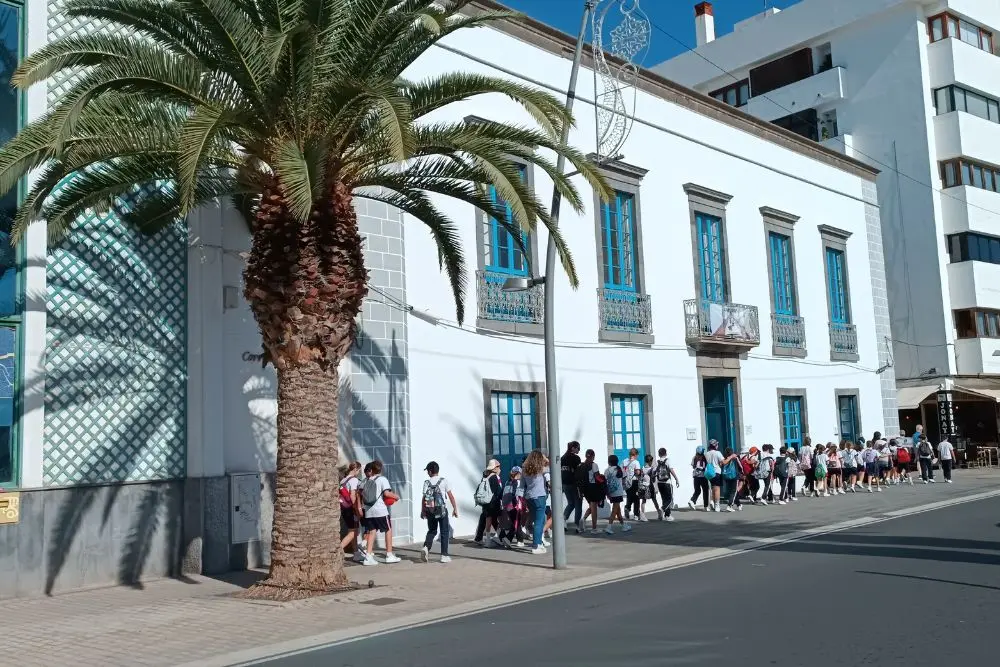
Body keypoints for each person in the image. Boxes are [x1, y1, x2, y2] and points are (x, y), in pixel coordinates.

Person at [360, 460, 401, 566]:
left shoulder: (366, 481)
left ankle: (368, 557)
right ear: (380, 469)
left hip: (369, 511)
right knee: (388, 530)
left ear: (371, 469)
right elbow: (387, 493)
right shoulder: (382, 479)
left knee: (372, 532)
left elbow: (360, 493)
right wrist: (396, 496)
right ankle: (389, 555)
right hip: (380, 510)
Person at [420, 461, 458, 563]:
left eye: (428, 471)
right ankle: (444, 555)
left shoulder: (426, 483)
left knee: (432, 530)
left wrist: (423, 511)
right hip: (441, 511)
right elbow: (450, 496)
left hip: (430, 510)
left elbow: (423, 499)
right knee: (444, 532)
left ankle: (426, 547)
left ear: (430, 471)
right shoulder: (444, 481)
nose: (427, 473)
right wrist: (455, 508)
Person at [520, 450, 549, 555]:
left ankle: (539, 543)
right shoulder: (541, 469)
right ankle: (536, 545)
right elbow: (549, 463)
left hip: (529, 497)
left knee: (537, 521)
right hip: (539, 496)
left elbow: (522, 485)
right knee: (539, 521)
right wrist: (544, 458)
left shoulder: (525, 469)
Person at [473, 459, 503, 547]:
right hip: (493, 503)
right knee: (492, 521)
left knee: (488, 520)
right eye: (498, 467)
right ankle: (490, 540)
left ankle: (494, 538)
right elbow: (498, 491)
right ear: (494, 468)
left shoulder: (486, 476)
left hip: (486, 503)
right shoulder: (495, 477)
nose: (499, 468)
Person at [339, 461, 364, 562]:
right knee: (353, 532)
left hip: (344, 508)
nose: (358, 472)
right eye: (358, 470)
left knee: (353, 530)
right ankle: (338, 550)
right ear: (355, 469)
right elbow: (352, 495)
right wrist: (356, 508)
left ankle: (356, 553)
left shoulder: (343, 480)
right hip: (351, 509)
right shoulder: (353, 480)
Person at [560, 441, 584, 532]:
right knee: (578, 504)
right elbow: (579, 472)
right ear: (573, 448)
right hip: (575, 484)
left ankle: (563, 520)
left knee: (571, 503)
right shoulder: (576, 458)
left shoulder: (562, 458)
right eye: (578, 448)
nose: (579, 450)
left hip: (565, 484)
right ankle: (578, 525)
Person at [498, 466, 524, 548]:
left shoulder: (507, 482)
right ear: (519, 473)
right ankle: (510, 539)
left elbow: (501, 494)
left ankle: (518, 540)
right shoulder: (518, 482)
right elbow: (517, 495)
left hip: (507, 506)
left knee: (516, 522)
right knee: (517, 523)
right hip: (515, 505)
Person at [604, 454, 630, 534]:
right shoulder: (620, 469)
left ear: (609, 462)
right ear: (617, 461)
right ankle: (609, 526)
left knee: (617, 509)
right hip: (618, 492)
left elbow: (605, 482)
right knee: (615, 509)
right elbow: (625, 478)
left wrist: (607, 493)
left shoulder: (607, 470)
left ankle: (623, 525)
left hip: (611, 491)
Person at [579, 449, 604, 533]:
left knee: (592, 506)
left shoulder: (582, 465)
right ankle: (594, 528)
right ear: (593, 456)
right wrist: (603, 481)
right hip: (593, 487)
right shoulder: (594, 465)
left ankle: (583, 519)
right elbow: (597, 477)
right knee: (594, 509)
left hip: (585, 489)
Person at [653, 448, 680, 522]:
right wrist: (676, 479)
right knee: (670, 499)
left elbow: (654, 472)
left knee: (664, 499)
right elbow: (671, 470)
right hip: (667, 482)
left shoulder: (657, 462)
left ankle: (667, 515)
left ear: (659, 454)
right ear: (665, 453)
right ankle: (662, 510)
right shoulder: (667, 460)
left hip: (659, 483)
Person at [704, 440, 725, 512]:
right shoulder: (717, 453)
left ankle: (712, 502)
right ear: (715, 445)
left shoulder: (706, 454)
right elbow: (723, 462)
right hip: (716, 472)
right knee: (717, 489)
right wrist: (730, 457)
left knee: (712, 488)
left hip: (709, 473)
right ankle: (717, 505)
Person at [639, 454, 662, 521]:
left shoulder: (642, 468)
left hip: (643, 486)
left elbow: (641, 477)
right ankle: (659, 513)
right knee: (654, 500)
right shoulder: (652, 469)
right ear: (650, 461)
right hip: (650, 486)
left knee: (643, 501)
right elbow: (654, 479)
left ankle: (642, 515)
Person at [622, 448, 642, 521]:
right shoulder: (636, 462)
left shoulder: (624, 461)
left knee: (629, 496)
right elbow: (637, 473)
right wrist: (640, 472)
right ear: (636, 454)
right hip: (634, 482)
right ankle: (636, 515)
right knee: (636, 498)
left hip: (626, 482)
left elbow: (622, 471)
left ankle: (627, 507)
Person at [721, 447, 743, 512]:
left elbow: (721, 466)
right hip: (734, 476)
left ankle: (739, 504)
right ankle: (729, 505)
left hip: (726, 476)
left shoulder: (724, 459)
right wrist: (742, 473)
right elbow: (740, 466)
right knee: (734, 491)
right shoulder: (735, 458)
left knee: (732, 491)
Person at [688, 446, 709, 510]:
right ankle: (706, 506)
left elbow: (693, 466)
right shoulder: (705, 457)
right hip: (703, 476)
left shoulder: (694, 457)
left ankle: (692, 501)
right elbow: (708, 465)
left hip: (696, 476)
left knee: (697, 490)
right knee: (705, 491)